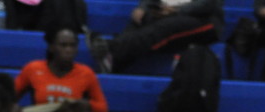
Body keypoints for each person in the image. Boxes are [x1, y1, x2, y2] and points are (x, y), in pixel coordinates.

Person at [90, 0, 223, 74]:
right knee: (140, 20)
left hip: (203, 20)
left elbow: (208, 4)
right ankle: (112, 64)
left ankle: (111, 48)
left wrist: (177, 11)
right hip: (167, 13)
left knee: (167, 26)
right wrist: (142, 8)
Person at [15, 25, 109, 112]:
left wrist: (87, 105)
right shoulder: (33, 69)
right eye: (63, 45)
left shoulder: (86, 73)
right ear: (51, 47)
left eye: (72, 46)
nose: (68, 50)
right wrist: (13, 107)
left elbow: (102, 109)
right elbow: (9, 97)